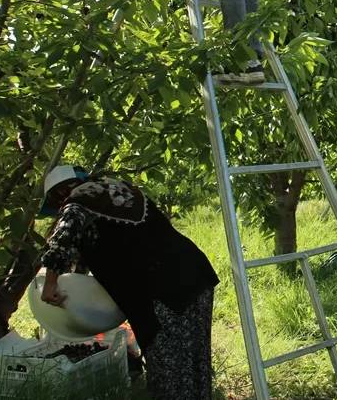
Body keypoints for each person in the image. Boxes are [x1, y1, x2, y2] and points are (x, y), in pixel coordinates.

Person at [38, 165, 220, 400]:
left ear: (59, 194)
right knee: (194, 360)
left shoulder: (78, 201)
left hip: (162, 290)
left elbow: (64, 236)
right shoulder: (120, 191)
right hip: (194, 273)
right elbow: (97, 249)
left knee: (169, 370)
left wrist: (50, 284)